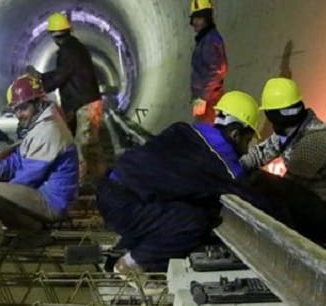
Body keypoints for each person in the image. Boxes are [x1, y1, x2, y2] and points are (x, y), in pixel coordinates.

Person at [96, 90, 282, 278]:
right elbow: (250, 198)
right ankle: (130, 264)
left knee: (183, 205)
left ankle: (126, 244)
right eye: (247, 141)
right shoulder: (223, 163)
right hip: (126, 208)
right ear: (235, 134)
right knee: (194, 222)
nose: (245, 150)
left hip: (110, 190)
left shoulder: (185, 130)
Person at [239, 77, 326, 255]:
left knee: (264, 185)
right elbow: (262, 153)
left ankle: (310, 243)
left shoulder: (314, 142)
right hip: (314, 203)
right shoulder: (293, 131)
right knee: (258, 180)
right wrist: (235, 166)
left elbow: (290, 189)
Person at [0, 74, 79, 233]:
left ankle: (33, 233)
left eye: (23, 108)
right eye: (16, 109)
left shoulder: (48, 130)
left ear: (38, 103)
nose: (19, 114)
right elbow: (20, 157)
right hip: (49, 194)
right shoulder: (40, 123)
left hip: (53, 203)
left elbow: (27, 177)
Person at [28, 12, 104, 182]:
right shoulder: (74, 47)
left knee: (81, 148)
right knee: (91, 147)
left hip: (86, 104)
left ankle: (77, 185)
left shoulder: (69, 50)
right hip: (88, 102)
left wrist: (40, 82)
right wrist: (42, 77)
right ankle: (103, 180)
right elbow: (65, 75)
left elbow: (60, 76)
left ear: (53, 35)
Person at [189, 0, 228, 124]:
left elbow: (217, 70)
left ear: (207, 18)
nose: (195, 22)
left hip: (210, 102)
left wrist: (203, 98)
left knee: (208, 137)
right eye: (194, 18)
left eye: (199, 18)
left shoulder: (210, 40)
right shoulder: (204, 40)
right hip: (205, 101)